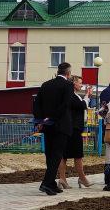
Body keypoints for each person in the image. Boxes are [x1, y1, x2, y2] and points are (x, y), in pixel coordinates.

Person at [33, 61, 74, 195]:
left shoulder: (46, 84)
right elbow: (65, 105)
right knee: (56, 155)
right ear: (68, 73)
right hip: (60, 125)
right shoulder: (68, 85)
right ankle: (46, 183)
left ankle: (51, 183)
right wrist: (52, 117)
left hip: (47, 125)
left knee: (50, 154)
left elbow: (36, 104)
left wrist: (40, 120)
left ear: (58, 71)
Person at [56, 75, 92, 189]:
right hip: (73, 129)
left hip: (69, 128)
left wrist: (86, 96)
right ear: (73, 84)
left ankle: (63, 179)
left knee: (64, 155)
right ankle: (81, 178)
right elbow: (82, 106)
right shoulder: (70, 95)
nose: (81, 85)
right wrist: (87, 96)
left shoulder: (71, 95)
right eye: (80, 83)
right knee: (77, 155)